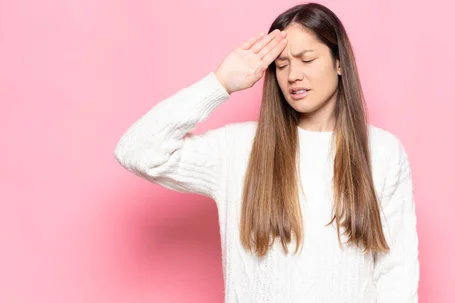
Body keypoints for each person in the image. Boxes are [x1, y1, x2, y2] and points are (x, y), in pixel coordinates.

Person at [114, 2, 419, 302]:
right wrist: (219, 84)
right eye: (282, 64)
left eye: (307, 60)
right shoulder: (239, 149)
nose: (293, 75)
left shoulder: (382, 152)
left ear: (339, 63)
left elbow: (397, 273)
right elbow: (136, 150)